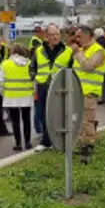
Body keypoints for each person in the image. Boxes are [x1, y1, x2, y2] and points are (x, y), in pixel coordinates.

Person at [32, 24, 72, 152]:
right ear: (46, 36)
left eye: (57, 34)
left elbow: (72, 69)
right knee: (43, 114)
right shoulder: (39, 50)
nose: (55, 37)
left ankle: (60, 140)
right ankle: (46, 141)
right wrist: (34, 77)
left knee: (60, 114)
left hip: (60, 87)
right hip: (43, 85)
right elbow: (32, 67)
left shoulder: (67, 51)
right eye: (52, 35)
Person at [70, 26, 105, 164]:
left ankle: (88, 147)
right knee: (79, 121)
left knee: (87, 122)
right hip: (78, 91)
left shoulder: (98, 51)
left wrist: (77, 53)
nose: (77, 39)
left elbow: (88, 66)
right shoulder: (83, 50)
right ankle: (82, 144)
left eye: (79, 36)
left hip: (89, 93)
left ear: (88, 36)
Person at [0, 44, 34, 151]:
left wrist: (3, 93)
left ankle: (18, 143)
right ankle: (27, 142)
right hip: (26, 96)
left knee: (15, 121)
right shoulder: (29, 63)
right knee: (26, 120)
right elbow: (34, 80)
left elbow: (0, 82)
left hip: (11, 97)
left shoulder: (5, 64)